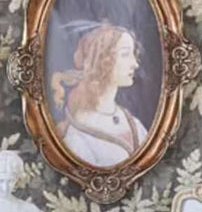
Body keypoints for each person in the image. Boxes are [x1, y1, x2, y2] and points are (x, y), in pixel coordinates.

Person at [51, 24, 149, 168]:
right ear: (102, 61)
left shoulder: (131, 121)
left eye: (133, 54)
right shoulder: (79, 134)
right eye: (125, 54)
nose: (135, 64)